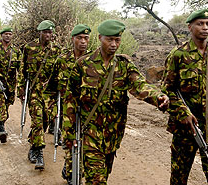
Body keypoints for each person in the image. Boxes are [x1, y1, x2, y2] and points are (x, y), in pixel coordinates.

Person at [64, 19, 169, 184]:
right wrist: (69, 134)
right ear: (100, 38)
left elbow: (140, 85)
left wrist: (158, 97)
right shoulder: (83, 65)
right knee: (96, 180)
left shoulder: (124, 65)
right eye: (109, 39)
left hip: (113, 134)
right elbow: (70, 101)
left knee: (104, 175)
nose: (114, 44)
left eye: (117, 40)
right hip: (89, 132)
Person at [161, 9, 208, 185]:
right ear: (190, 27)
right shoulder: (178, 55)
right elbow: (167, 90)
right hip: (185, 127)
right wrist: (182, 112)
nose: (205, 27)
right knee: (179, 176)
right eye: (200, 24)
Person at [17, 20, 62, 170]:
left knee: (45, 120)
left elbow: (60, 71)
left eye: (51, 32)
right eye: (46, 32)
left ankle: (33, 143)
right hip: (34, 90)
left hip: (50, 93)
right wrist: (21, 88)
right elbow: (22, 69)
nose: (49, 35)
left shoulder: (56, 50)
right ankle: (39, 152)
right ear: (40, 33)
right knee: (37, 120)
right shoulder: (29, 47)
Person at [49, 24, 92, 183]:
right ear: (72, 39)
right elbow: (51, 87)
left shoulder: (93, 60)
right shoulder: (62, 60)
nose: (83, 41)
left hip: (88, 111)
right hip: (67, 111)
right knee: (70, 142)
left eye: (86, 38)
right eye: (79, 38)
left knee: (86, 146)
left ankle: (71, 169)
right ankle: (72, 173)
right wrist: (51, 108)